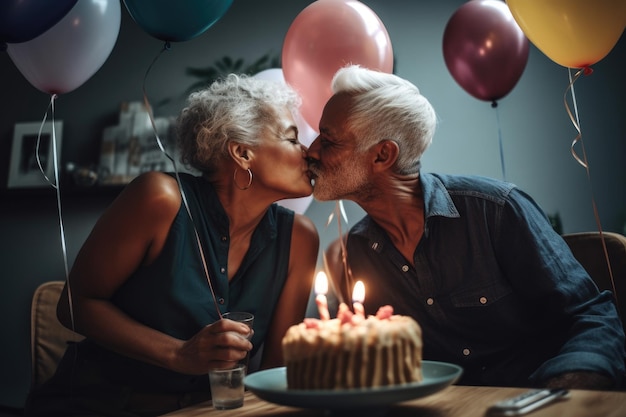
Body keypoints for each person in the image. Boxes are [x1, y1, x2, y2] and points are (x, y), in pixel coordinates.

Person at [307, 64, 625, 390]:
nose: (311, 150)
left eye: (328, 140)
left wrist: (566, 389)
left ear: (382, 155)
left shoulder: (496, 211)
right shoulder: (355, 252)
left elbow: (592, 317)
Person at [25, 74, 319, 416]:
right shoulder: (159, 199)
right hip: (100, 404)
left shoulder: (300, 238)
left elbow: (274, 374)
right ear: (242, 153)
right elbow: (74, 305)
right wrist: (179, 354)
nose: (308, 153)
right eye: (292, 138)